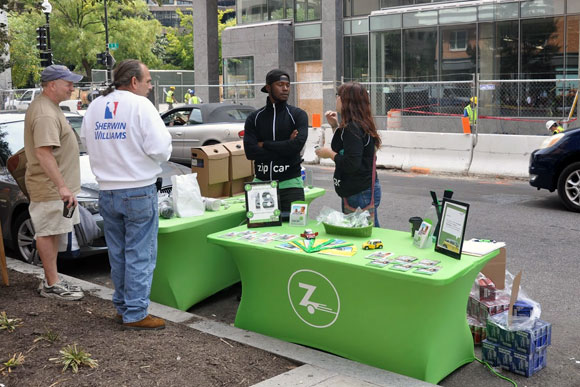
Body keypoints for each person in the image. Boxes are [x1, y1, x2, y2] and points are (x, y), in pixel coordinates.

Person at [80, 59, 172, 330]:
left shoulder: (96, 105)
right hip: (138, 189)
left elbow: (86, 141)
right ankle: (136, 312)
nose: (150, 86)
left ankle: (123, 307)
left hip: (107, 191)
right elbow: (159, 148)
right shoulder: (141, 105)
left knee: (118, 254)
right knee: (140, 253)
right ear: (134, 82)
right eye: (148, 81)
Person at [23, 65, 84, 300]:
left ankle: (53, 278)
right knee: (47, 233)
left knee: (54, 231)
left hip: (54, 188)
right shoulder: (45, 113)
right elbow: (44, 153)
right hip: (50, 189)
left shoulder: (49, 107)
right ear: (52, 85)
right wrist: (62, 186)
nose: (72, 87)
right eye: (67, 83)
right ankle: (51, 284)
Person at [243, 69, 308, 218]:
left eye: (287, 85)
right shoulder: (254, 118)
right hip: (261, 186)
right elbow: (250, 152)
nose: (285, 88)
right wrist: (287, 145)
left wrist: (264, 144)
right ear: (268, 88)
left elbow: (296, 146)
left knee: (295, 231)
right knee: (261, 233)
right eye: (280, 84)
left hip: (291, 185)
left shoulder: (298, 115)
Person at [316, 82, 382, 227]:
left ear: (348, 101)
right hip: (358, 189)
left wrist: (329, 154)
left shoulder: (353, 128)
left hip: (360, 191)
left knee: (362, 235)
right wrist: (335, 126)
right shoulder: (355, 125)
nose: (336, 99)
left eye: (338, 95)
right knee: (361, 233)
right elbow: (345, 148)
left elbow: (351, 163)